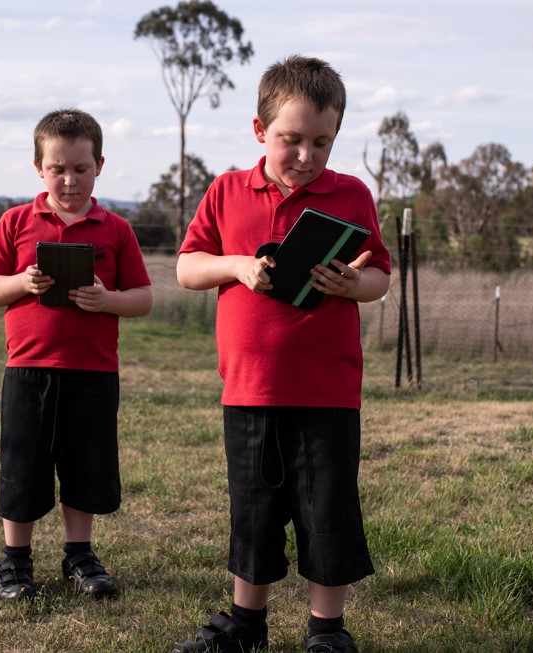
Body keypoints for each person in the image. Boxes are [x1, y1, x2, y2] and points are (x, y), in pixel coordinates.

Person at [172, 55, 391, 653]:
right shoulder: (226, 191)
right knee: (255, 513)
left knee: (327, 512)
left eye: (322, 142)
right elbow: (188, 268)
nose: (306, 155)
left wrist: (354, 284)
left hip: (328, 392)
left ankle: (327, 631)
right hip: (250, 390)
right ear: (259, 130)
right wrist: (237, 267)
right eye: (291, 139)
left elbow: (380, 274)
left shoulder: (352, 194)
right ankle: (246, 625)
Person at [0, 108, 152, 601]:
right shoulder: (15, 222)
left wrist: (107, 300)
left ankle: (80, 554)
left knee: (85, 466)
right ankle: (15, 560)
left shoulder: (116, 229)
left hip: (94, 373)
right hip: (28, 370)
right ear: (39, 167)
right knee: (23, 465)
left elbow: (143, 298)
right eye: (58, 169)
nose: (70, 180)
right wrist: (22, 282)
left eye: (81, 168)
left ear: (100, 165)